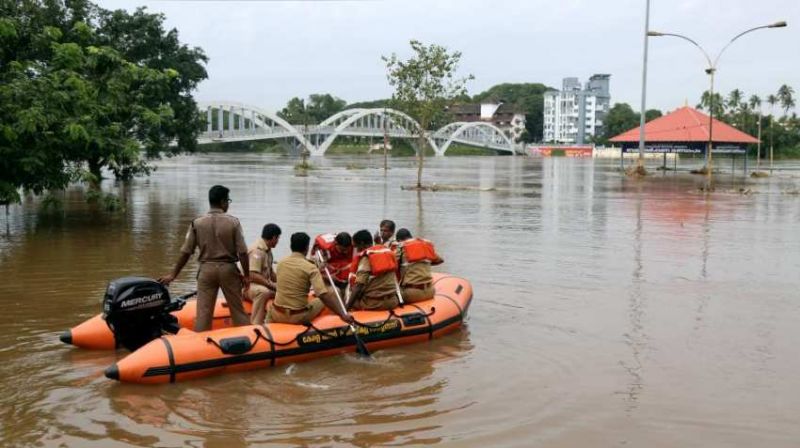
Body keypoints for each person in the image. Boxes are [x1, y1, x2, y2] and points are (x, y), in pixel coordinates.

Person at [158, 185, 250, 332]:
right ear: (222, 201)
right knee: (238, 311)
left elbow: (186, 252)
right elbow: (243, 253)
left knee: (203, 314)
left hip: (206, 271)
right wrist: (246, 275)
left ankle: (200, 346)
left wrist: (173, 274)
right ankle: (248, 341)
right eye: (228, 201)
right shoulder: (233, 222)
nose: (228, 204)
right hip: (228, 270)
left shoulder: (197, 223)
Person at [267, 232, 354, 325]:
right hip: (298, 317)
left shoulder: (281, 263)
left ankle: (264, 324)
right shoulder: (311, 268)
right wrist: (342, 314)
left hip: (277, 313)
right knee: (328, 296)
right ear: (307, 248)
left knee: (272, 309)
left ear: (291, 246)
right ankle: (335, 322)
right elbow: (323, 295)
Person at [347, 229, 400, 311]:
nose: (356, 250)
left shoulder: (367, 258)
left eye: (356, 247)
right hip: (392, 301)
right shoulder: (388, 252)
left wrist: (346, 308)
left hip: (374, 304)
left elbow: (358, 286)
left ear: (362, 244)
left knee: (349, 294)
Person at [395, 228, 444, 303]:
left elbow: (388, 267)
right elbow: (440, 260)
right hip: (430, 291)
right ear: (410, 236)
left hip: (411, 294)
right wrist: (423, 263)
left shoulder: (400, 248)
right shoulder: (425, 245)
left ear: (399, 240)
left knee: (390, 297)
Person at [247, 223, 281, 325]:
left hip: (262, 283)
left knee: (284, 290)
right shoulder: (257, 251)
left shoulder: (268, 251)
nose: (278, 241)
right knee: (263, 292)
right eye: (278, 238)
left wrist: (283, 284)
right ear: (274, 237)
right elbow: (252, 274)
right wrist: (271, 285)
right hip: (249, 286)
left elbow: (271, 273)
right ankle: (256, 324)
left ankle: (277, 319)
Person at [310, 232, 353, 300]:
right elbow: (313, 271)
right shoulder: (324, 248)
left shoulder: (353, 246)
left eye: (347, 249)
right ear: (336, 244)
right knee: (322, 272)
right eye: (342, 250)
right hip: (326, 257)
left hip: (339, 262)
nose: (345, 252)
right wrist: (327, 277)